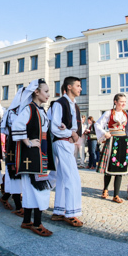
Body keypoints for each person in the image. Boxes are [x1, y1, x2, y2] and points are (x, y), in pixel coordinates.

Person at [12, 79, 54, 236]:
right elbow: (17, 125)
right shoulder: (29, 109)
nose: (48, 94)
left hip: (40, 152)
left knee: (31, 188)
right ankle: (37, 223)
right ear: (36, 92)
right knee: (38, 188)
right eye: (46, 91)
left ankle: (26, 220)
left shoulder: (40, 110)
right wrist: (27, 141)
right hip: (32, 154)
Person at [49, 76, 84, 226]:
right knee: (72, 177)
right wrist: (70, 133)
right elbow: (55, 127)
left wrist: (75, 136)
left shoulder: (74, 104)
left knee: (63, 177)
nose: (80, 88)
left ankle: (59, 211)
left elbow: (75, 128)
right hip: (61, 143)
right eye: (78, 85)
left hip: (69, 143)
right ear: (69, 87)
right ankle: (71, 212)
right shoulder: (59, 103)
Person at [95, 93, 128, 203]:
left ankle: (116, 195)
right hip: (113, 141)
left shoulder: (126, 114)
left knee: (120, 168)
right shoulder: (109, 113)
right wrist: (105, 133)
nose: (123, 103)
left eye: (124, 101)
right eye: (121, 101)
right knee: (110, 167)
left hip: (123, 141)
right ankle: (105, 189)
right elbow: (97, 124)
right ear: (115, 102)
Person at [0, 88, 25, 215]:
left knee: (23, 175)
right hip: (14, 146)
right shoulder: (12, 112)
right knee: (14, 175)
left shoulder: (29, 109)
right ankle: (18, 206)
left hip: (26, 146)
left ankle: (5, 197)